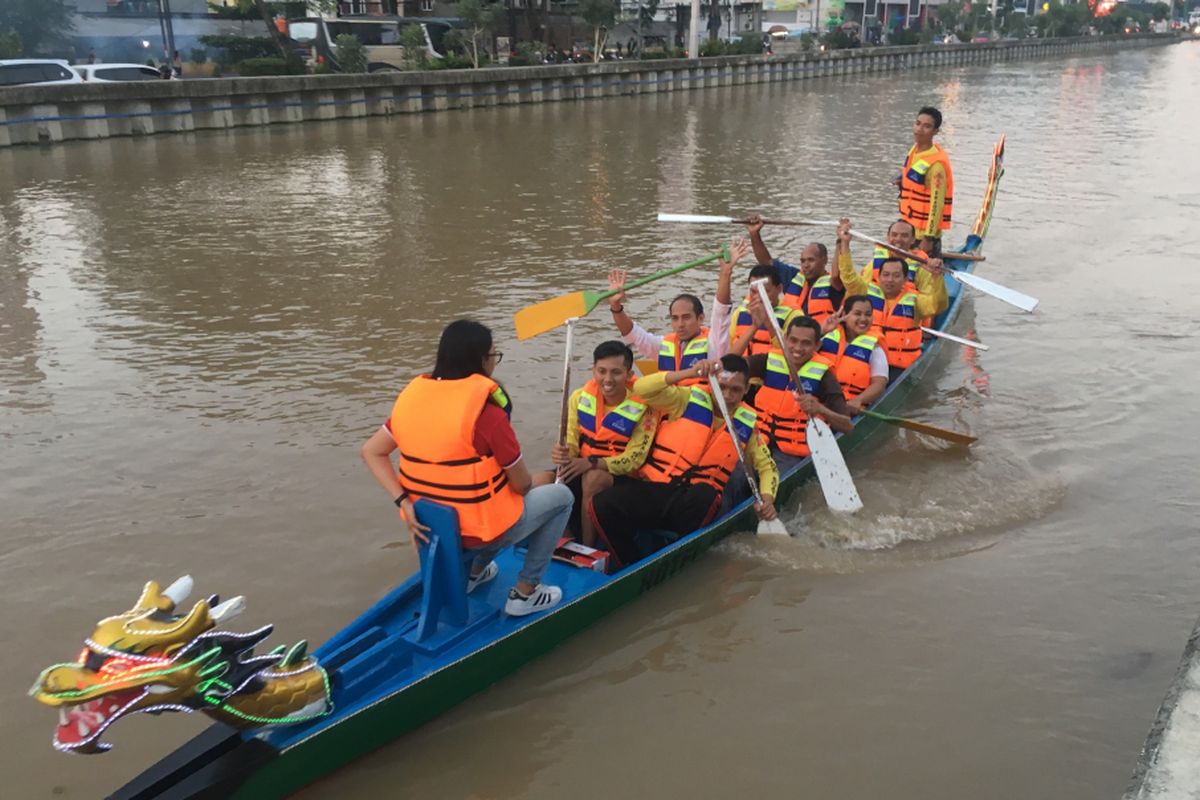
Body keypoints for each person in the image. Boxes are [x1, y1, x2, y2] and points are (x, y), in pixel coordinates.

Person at [360, 320, 570, 617]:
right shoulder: (488, 415)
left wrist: (403, 501)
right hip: (476, 532)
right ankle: (527, 592)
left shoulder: (413, 402)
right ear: (482, 361)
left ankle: (476, 572)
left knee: (496, 502)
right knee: (561, 497)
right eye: (494, 356)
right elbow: (521, 486)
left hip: (429, 527)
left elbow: (371, 451)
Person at [589, 355, 779, 570]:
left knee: (706, 494)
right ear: (711, 382)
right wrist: (689, 373)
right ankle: (630, 563)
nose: (726, 395)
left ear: (746, 390)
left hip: (693, 503)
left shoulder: (748, 425)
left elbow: (767, 468)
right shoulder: (685, 399)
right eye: (722, 386)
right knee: (601, 504)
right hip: (656, 490)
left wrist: (767, 500)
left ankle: (682, 554)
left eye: (735, 390)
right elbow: (642, 388)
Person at [532, 341, 658, 547]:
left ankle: (587, 548)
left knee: (593, 479)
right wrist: (563, 453)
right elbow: (571, 440)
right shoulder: (578, 397)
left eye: (616, 372)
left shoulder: (645, 407)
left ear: (628, 374)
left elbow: (635, 459)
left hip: (622, 477)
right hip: (585, 466)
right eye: (601, 371)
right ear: (593, 370)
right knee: (540, 481)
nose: (607, 380)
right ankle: (566, 538)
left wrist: (592, 463)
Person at [607, 238, 749, 378]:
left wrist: (725, 272)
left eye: (686, 317)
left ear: (700, 318)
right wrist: (616, 306)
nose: (680, 324)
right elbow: (633, 335)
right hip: (671, 400)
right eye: (675, 318)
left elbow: (721, 312)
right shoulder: (664, 345)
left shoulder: (714, 343)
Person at [835, 220, 947, 380]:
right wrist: (844, 244)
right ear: (878, 277)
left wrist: (937, 277)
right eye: (894, 235)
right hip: (871, 350)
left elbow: (937, 304)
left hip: (901, 352)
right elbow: (849, 278)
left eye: (904, 236)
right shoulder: (871, 281)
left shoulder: (917, 290)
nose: (890, 280)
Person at [750, 314, 855, 474]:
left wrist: (820, 409)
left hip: (790, 453)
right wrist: (714, 365)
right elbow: (733, 366)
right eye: (793, 341)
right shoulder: (768, 360)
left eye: (806, 343)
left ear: (817, 345)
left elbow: (847, 427)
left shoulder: (825, 376)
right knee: (735, 480)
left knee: (778, 480)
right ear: (785, 339)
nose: (798, 348)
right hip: (759, 442)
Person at [745, 213, 844, 322]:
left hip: (821, 334)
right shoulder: (793, 277)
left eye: (811, 260)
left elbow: (836, 275)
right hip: (792, 333)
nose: (805, 265)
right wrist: (754, 234)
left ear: (825, 260)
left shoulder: (835, 284)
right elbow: (766, 262)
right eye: (802, 261)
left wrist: (841, 241)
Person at [815, 294, 888, 414]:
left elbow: (879, 383)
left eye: (868, 315)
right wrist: (822, 331)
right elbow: (801, 357)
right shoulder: (826, 338)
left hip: (849, 408)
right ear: (844, 315)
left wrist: (859, 400)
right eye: (857, 314)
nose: (863, 319)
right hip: (821, 405)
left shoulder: (875, 348)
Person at [898, 106, 955, 255]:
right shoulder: (915, 150)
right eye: (918, 123)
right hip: (908, 229)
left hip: (924, 236)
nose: (919, 129)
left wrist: (928, 238)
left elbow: (937, 204)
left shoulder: (937, 166)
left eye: (927, 126)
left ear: (935, 131)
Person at [729, 264, 794, 358]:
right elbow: (730, 354)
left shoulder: (792, 315)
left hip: (770, 369)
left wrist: (768, 322)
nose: (759, 297)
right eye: (754, 292)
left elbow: (792, 354)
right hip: (743, 368)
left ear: (779, 288)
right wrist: (754, 326)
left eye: (765, 291)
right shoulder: (739, 313)